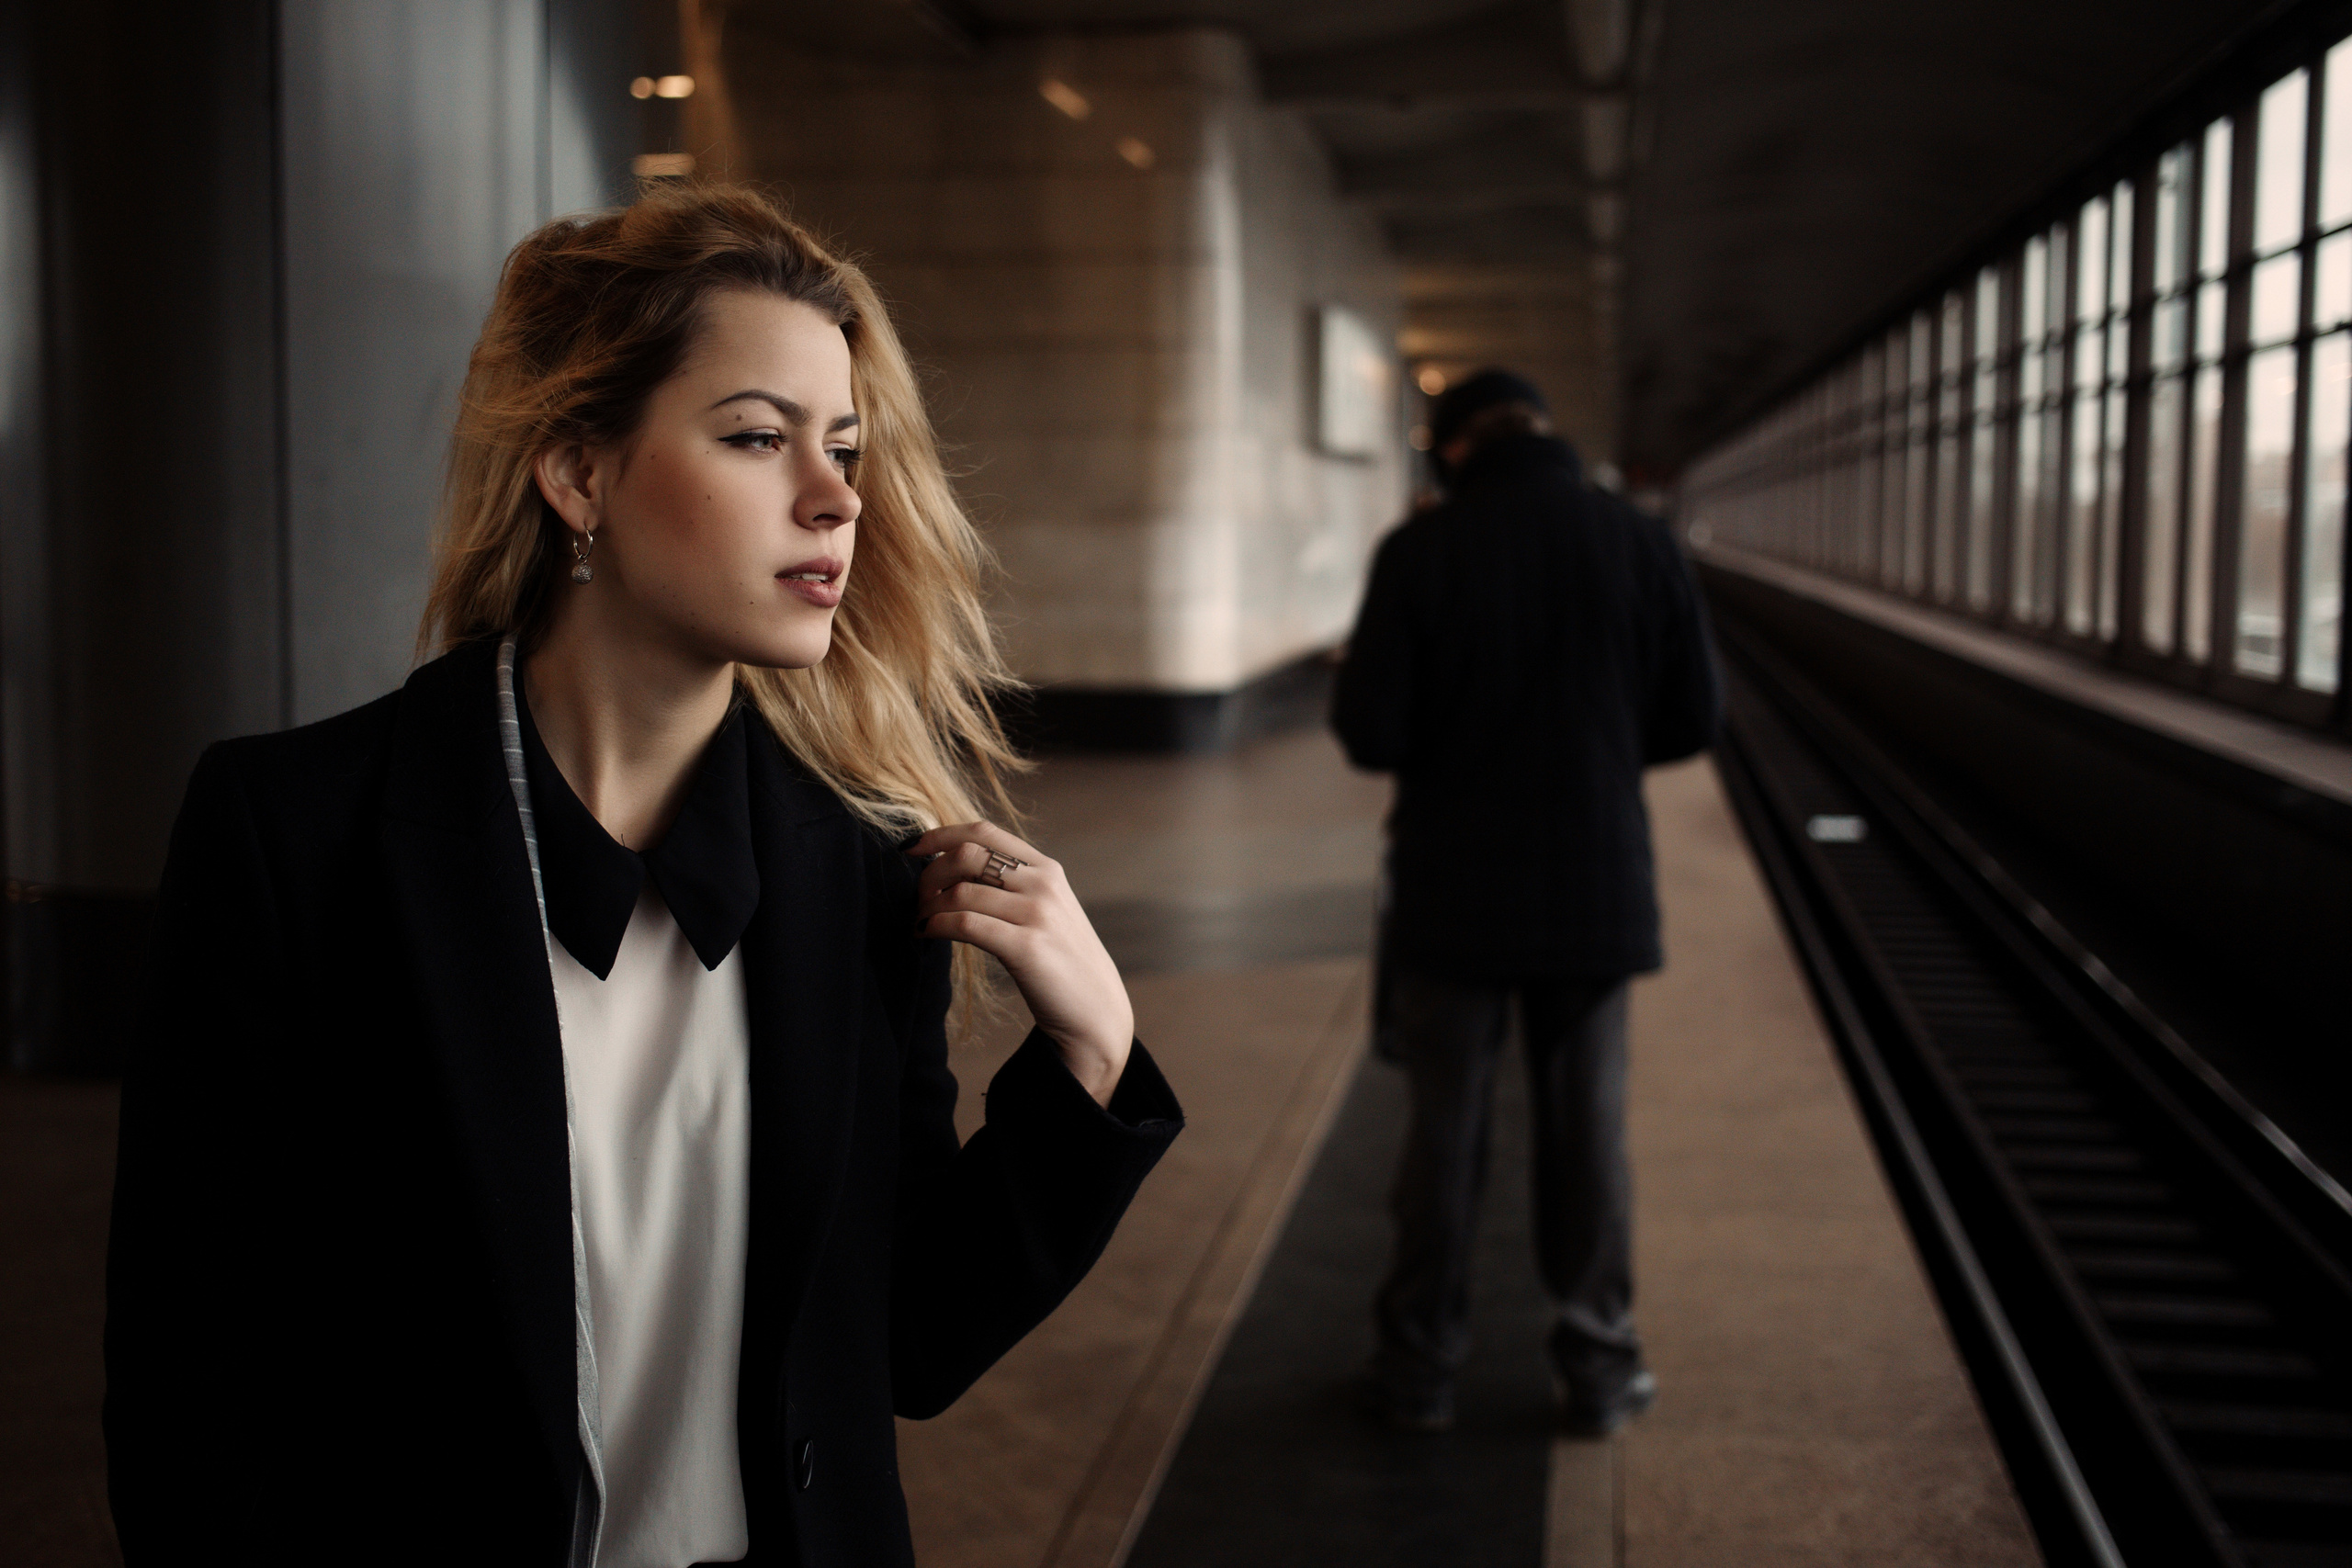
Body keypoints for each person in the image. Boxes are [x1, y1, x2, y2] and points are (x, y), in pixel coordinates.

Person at [104, 185, 1182, 1567]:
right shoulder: (294, 833)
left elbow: (898, 1342)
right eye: (757, 437)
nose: (835, 495)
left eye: (845, 446)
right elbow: (194, 1379)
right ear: (580, 472)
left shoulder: (863, 869)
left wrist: (1088, 1056)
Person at [1333, 369, 1718, 1436]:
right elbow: (1694, 717)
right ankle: (1599, 1366)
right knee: (1588, 1131)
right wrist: (1595, 753)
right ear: (1545, 433)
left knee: (1443, 1136)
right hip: (1594, 885)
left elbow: (1371, 733)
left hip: (1454, 890)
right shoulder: (1639, 542)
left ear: (1454, 449)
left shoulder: (1421, 552)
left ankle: (1417, 1370)